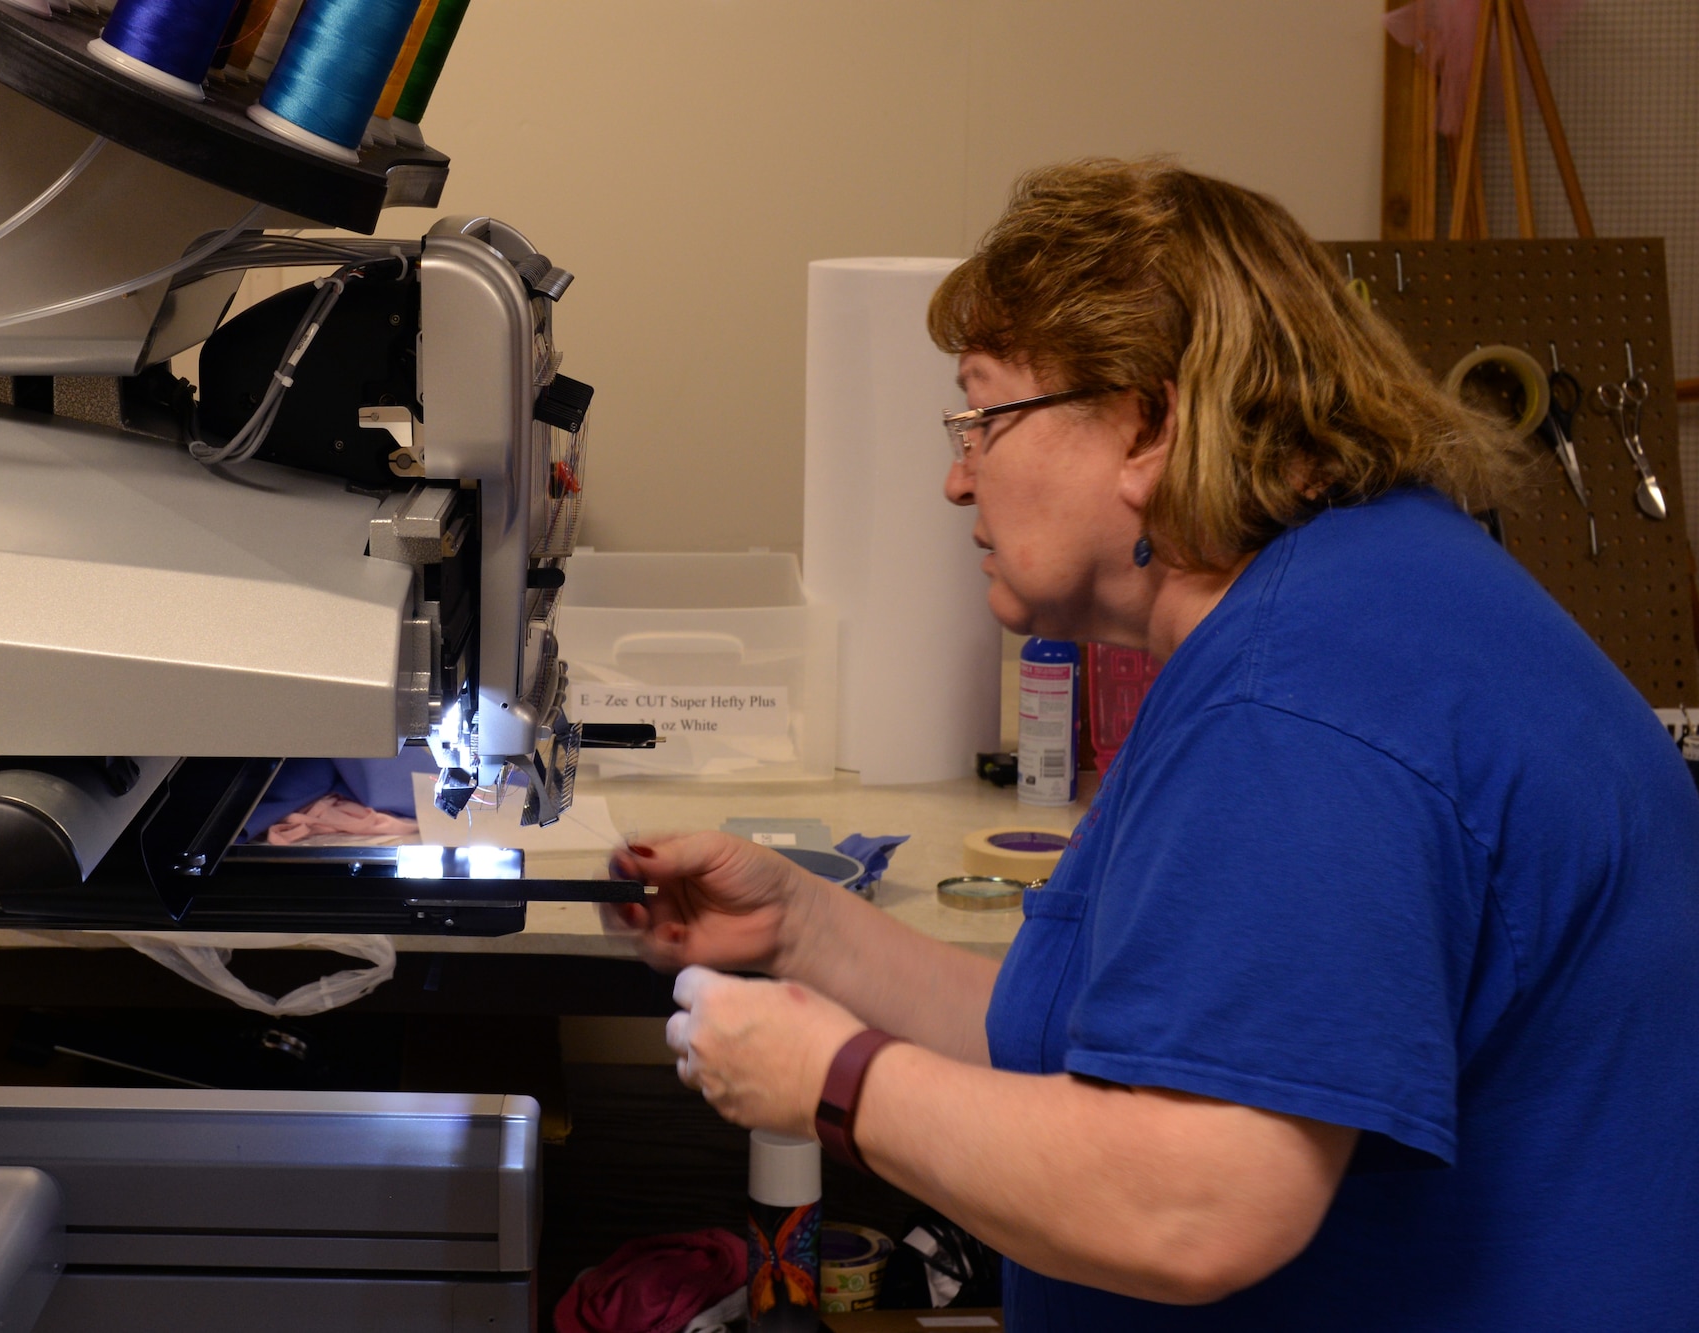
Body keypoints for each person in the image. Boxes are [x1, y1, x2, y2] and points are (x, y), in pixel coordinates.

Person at [604, 160, 1699, 1329]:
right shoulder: (1358, 606)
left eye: (981, 416)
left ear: (1149, 421)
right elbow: (1124, 1039)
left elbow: (1194, 1202)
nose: (954, 477)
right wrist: (805, 928)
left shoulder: (1300, 706)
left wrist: (835, 1080)